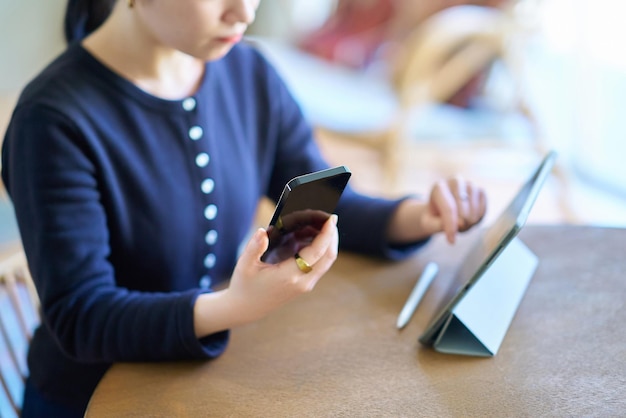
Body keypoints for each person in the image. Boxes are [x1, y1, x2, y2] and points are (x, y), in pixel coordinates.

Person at [1, 0, 487, 416]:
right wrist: (235, 306)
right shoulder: (52, 121)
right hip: (97, 400)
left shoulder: (249, 72)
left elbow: (319, 199)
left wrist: (422, 215)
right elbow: (82, 317)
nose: (245, 13)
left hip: (204, 384)